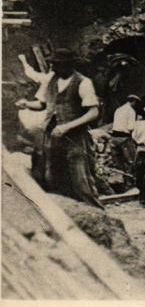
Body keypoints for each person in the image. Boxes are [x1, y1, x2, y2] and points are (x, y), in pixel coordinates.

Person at [26, 48, 103, 208]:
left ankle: (97, 214)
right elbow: (42, 104)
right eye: (54, 64)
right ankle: (69, 218)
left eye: (59, 65)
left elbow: (93, 112)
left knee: (81, 181)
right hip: (51, 137)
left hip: (75, 138)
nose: (55, 68)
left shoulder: (83, 82)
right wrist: (26, 104)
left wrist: (67, 126)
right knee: (53, 178)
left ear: (69, 65)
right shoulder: (51, 80)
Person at [110, 94, 140, 173]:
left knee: (117, 162)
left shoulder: (118, 109)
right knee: (130, 160)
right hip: (124, 138)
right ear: (134, 101)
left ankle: (120, 180)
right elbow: (131, 127)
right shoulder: (131, 111)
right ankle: (130, 181)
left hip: (114, 138)